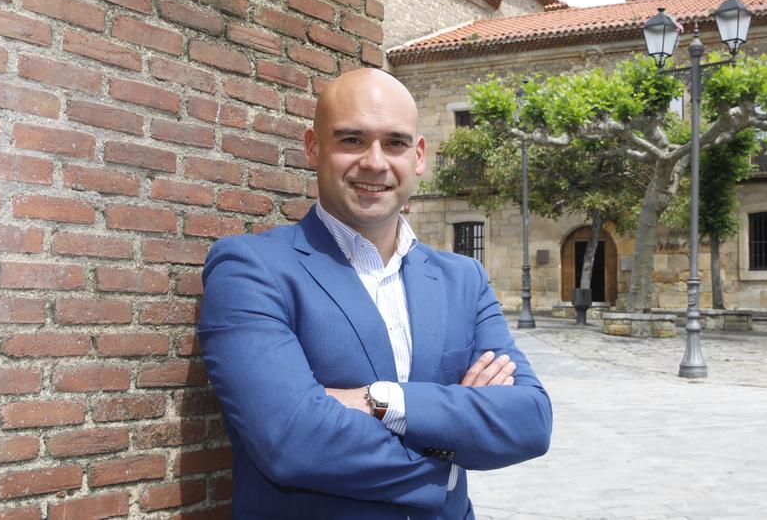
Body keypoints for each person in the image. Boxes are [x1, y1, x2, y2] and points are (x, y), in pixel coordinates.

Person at [197, 68, 553, 518]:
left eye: (396, 143)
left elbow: (530, 421)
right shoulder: (252, 269)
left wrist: (381, 401)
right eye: (351, 140)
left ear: (419, 155)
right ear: (313, 147)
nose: (375, 162)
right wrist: (446, 457)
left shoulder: (464, 280)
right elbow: (291, 440)